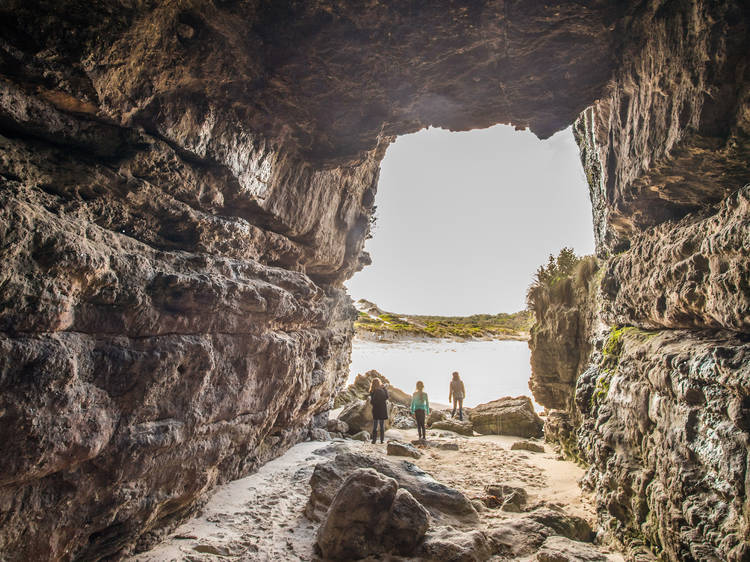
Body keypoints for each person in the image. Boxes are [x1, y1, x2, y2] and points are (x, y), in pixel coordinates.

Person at [369, 377, 389, 444]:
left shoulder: (372, 391)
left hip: (375, 409)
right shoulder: (382, 390)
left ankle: (374, 440)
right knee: (382, 425)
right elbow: (386, 397)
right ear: (379, 383)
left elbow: (371, 401)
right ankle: (382, 440)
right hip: (382, 409)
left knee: (375, 425)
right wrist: (384, 388)